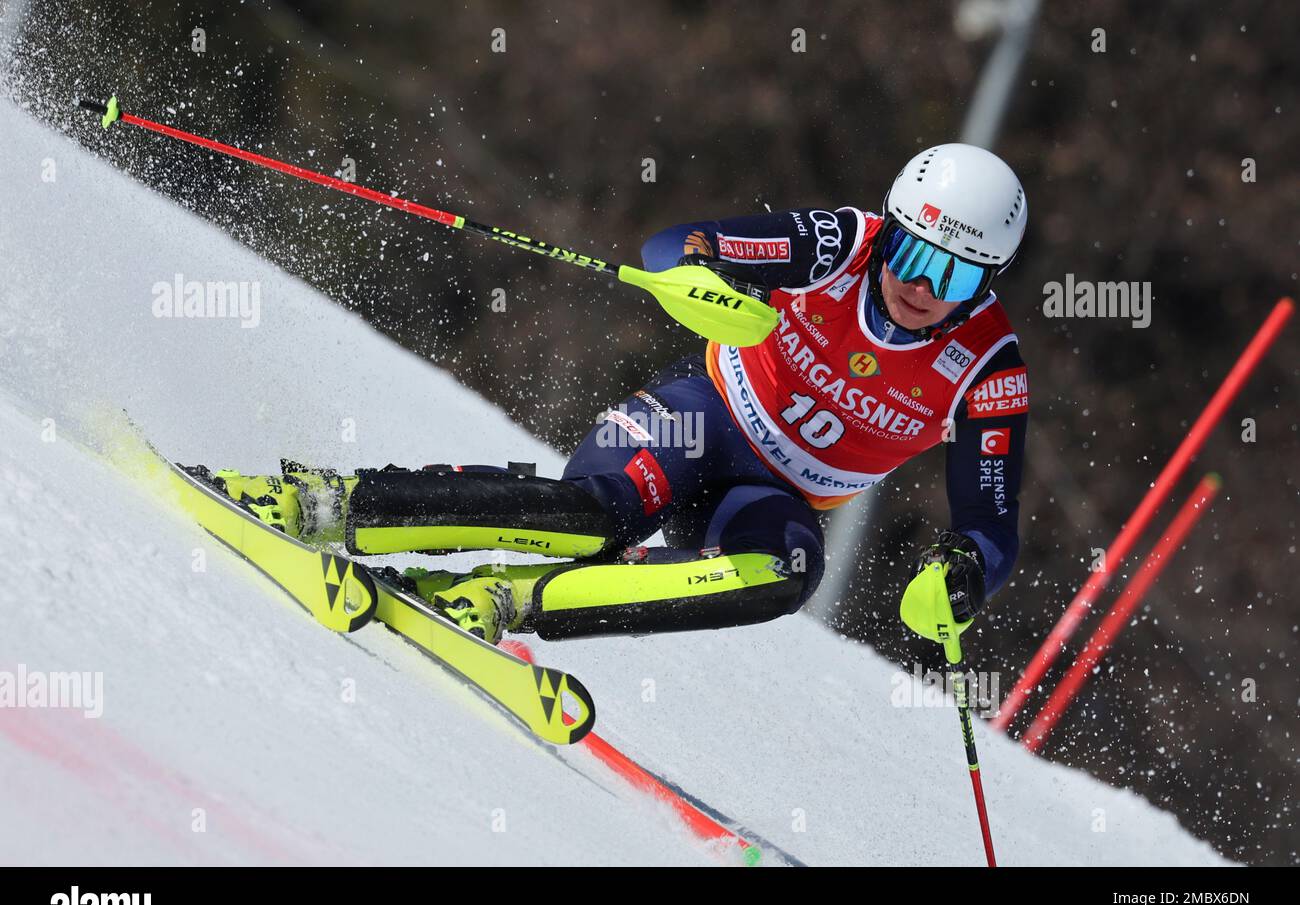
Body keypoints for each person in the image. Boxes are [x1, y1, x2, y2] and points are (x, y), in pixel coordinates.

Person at [215, 143, 1029, 646]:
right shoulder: (841, 245)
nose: (923, 286)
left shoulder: (987, 366)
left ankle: (507, 600)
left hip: (769, 496)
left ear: (986, 282)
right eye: (916, 254)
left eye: (955, 275)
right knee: (601, 515)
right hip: (702, 418)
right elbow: (682, 243)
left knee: (787, 573)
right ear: (892, 228)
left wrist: (962, 575)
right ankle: (326, 504)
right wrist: (697, 281)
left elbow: (990, 525)